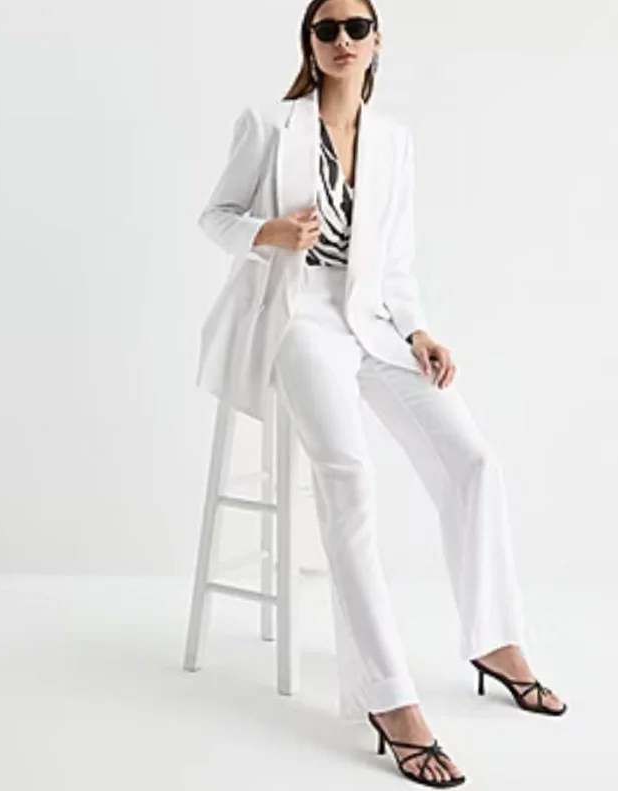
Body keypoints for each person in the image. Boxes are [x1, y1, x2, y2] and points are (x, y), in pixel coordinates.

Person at [196, 0, 567, 786]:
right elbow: (215, 216)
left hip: (372, 322)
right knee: (350, 482)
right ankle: (389, 698)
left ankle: (495, 639)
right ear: (309, 42)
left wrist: (419, 331)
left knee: (472, 459)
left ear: (376, 41)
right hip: (299, 318)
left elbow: (395, 264)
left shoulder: (394, 140)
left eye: (355, 28)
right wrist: (269, 232)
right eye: (326, 29)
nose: (342, 40)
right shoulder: (269, 125)